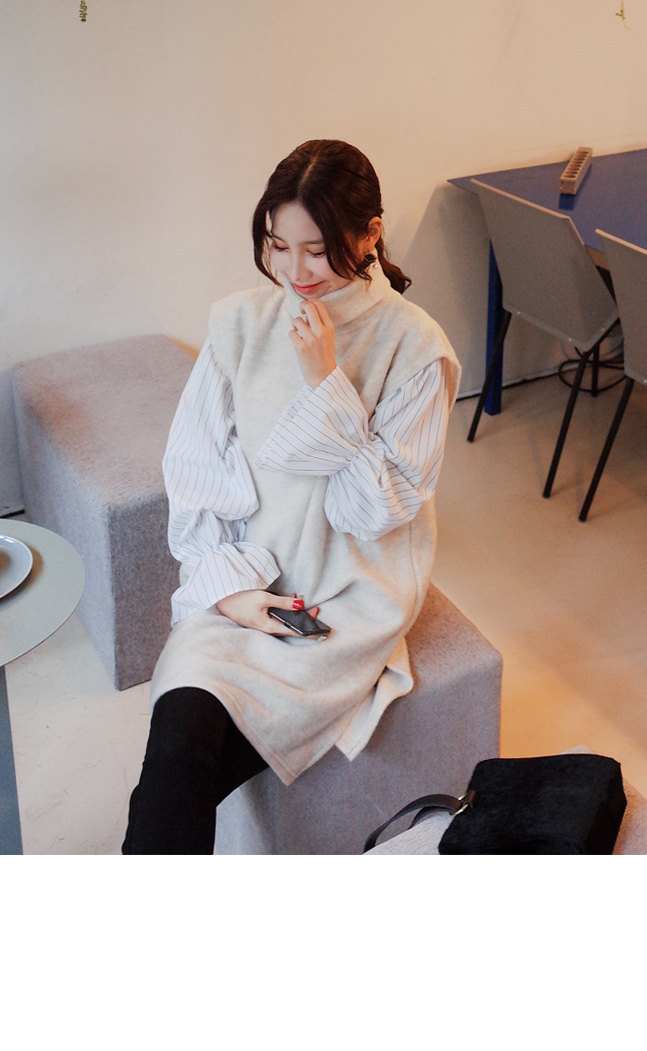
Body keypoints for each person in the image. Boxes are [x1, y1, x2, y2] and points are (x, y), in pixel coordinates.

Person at [122, 139, 461, 853]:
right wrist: (231, 595)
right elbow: (194, 474)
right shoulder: (239, 324)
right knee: (178, 744)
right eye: (279, 246)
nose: (295, 271)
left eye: (317, 250)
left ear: (369, 235)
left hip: (346, 599)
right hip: (248, 581)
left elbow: (373, 512)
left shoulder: (416, 347)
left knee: (181, 773)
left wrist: (325, 381)